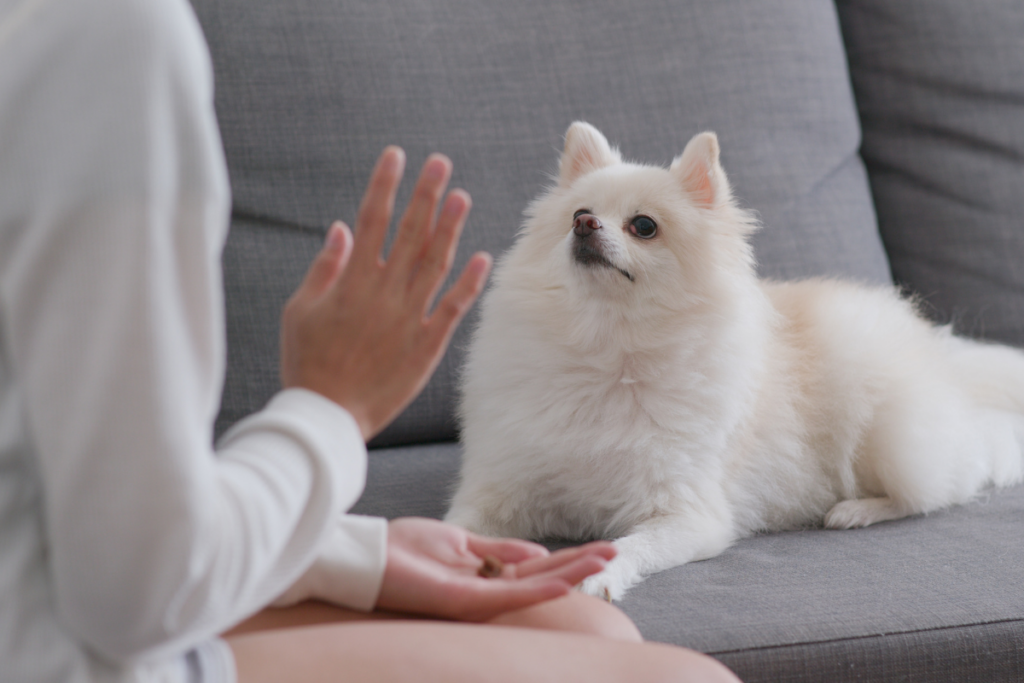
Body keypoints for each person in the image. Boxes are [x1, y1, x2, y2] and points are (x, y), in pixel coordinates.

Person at [0, 0, 741, 681]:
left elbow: (71, 497)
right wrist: (327, 408)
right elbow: (132, 589)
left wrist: (356, 555)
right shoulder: (102, 34)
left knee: (589, 625)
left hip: (56, 576)